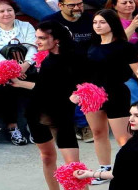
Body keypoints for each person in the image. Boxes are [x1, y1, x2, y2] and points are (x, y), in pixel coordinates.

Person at [10, 21, 107, 190]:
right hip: (36, 113)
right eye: (37, 37)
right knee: (47, 158)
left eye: (42, 38)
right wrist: (18, 82)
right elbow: (43, 88)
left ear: (57, 40)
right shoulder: (46, 60)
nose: (37, 42)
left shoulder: (77, 58)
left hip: (60, 115)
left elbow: (92, 83)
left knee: (74, 166)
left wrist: (76, 96)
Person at [71, 9, 138, 185]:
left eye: (102, 22)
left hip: (116, 93)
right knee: (98, 132)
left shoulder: (126, 46)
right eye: (95, 23)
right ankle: (104, 169)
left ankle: (136, 169)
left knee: (123, 137)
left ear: (112, 24)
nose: (98, 26)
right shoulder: (91, 45)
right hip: (92, 94)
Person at [0, 0, 38, 146]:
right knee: (5, 87)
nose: (6, 14)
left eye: (9, 10)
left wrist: (24, 66)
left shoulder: (25, 26)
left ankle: (33, 124)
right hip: (1, 70)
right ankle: (12, 127)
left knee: (37, 85)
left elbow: (33, 47)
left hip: (26, 67)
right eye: (1, 11)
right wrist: (11, 69)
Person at [43, 0, 96, 143]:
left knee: (85, 82)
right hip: (60, 63)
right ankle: (76, 124)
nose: (77, 8)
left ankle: (83, 125)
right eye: (72, 5)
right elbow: (43, 45)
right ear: (60, 5)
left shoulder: (90, 20)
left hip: (87, 62)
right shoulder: (50, 22)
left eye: (80, 4)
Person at [105, 0, 138, 104]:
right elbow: (116, 44)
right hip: (122, 68)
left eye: (131, 2)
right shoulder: (110, 23)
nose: (129, 5)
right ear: (115, 6)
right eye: (124, 3)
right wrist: (132, 26)